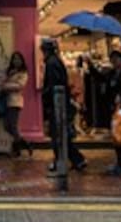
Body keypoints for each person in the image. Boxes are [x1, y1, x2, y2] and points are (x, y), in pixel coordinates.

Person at [41, 39, 86, 173]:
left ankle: (62, 161)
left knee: (58, 134)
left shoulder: (51, 63)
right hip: (60, 102)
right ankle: (76, 159)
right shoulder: (56, 61)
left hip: (57, 103)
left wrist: (47, 98)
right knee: (61, 134)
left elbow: (53, 85)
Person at [3, 51, 33, 158]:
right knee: (7, 126)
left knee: (13, 126)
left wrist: (6, 87)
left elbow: (20, 86)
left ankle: (16, 150)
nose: (16, 61)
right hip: (7, 101)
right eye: (14, 58)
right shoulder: (10, 71)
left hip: (16, 101)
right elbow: (4, 81)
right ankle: (24, 143)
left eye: (18, 59)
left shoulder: (23, 73)